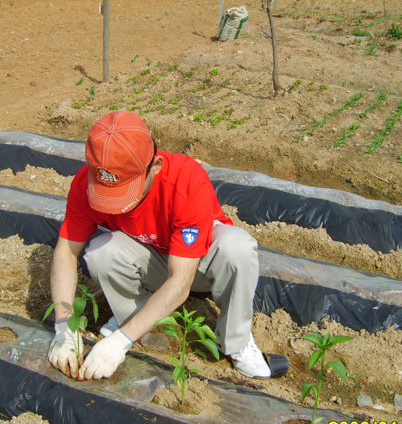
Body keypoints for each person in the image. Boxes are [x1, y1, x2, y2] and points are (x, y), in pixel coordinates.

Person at [48, 110, 275, 381]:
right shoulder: (84, 186)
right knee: (100, 252)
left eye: (126, 190)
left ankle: (236, 344)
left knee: (236, 246)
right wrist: (63, 326)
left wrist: (119, 343)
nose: (117, 205)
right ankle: (134, 319)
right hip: (152, 259)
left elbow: (181, 281)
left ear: (155, 166)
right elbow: (66, 251)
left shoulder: (186, 181)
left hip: (198, 265)